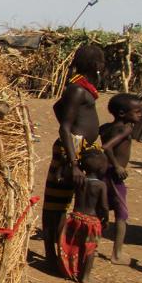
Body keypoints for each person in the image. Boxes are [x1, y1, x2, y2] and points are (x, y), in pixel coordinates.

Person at [42, 44, 105, 263]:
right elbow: (64, 126)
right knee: (56, 204)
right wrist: (73, 162)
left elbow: (58, 108)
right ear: (95, 65)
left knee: (68, 201)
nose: (103, 66)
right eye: (101, 62)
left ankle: (60, 250)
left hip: (79, 148)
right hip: (72, 151)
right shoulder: (77, 89)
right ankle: (51, 253)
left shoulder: (82, 89)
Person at [99, 93, 142, 264]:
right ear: (123, 113)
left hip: (103, 172)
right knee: (121, 214)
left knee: (100, 210)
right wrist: (117, 165)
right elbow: (107, 147)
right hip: (114, 175)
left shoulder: (104, 128)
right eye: (137, 112)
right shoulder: (126, 129)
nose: (140, 114)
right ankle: (117, 254)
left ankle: (92, 245)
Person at [58, 149, 109, 283]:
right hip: (91, 221)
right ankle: (85, 276)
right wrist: (106, 219)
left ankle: (69, 270)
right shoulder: (101, 185)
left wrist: (64, 165)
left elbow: (61, 179)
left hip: (75, 217)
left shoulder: (80, 181)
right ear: (101, 168)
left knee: (73, 245)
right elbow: (104, 206)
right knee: (90, 249)